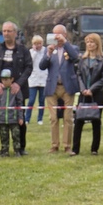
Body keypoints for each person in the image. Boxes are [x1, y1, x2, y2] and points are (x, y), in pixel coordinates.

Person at [0, 21, 32, 154]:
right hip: (1, 91)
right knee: (2, 120)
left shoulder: (23, 50)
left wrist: (18, 83)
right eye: (4, 31)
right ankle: (4, 148)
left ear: (15, 33)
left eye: (9, 31)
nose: (6, 34)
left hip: (17, 90)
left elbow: (29, 67)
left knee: (19, 119)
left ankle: (20, 147)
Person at [39, 24, 80, 153]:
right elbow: (42, 66)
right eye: (54, 34)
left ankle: (67, 145)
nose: (56, 37)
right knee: (53, 118)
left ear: (65, 35)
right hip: (53, 86)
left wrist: (65, 43)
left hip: (67, 86)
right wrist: (48, 54)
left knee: (68, 118)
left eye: (59, 34)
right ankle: (54, 145)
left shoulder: (72, 48)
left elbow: (75, 57)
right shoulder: (49, 49)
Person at [71, 33, 103, 156]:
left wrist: (92, 89)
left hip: (97, 94)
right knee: (78, 120)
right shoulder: (82, 59)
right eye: (87, 42)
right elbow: (78, 75)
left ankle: (94, 149)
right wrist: (83, 89)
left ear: (97, 44)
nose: (90, 44)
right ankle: (75, 149)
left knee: (96, 120)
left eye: (92, 42)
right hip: (83, 93)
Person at [0, 69, 24, 156]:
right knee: (3, 136)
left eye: (7, 79)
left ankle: (17, 150)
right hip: (2, 118)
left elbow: (19, 104)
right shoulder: (0, 91)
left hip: (13, 118)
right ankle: (4, 150)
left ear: (12, 79)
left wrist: (20, 117)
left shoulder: (16, 91)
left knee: (16, 136)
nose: (4, 81)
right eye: (3, 79)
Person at [26, 34, 48, 125]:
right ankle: (27, 118)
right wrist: (34, 52)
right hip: (33, 79)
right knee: (31, 100)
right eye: (36, 43)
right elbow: (30, 62)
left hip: (43, 79)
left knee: (42, 100)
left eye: (39, 43)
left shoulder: (46, 51)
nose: (38, 45)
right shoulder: (30, 52)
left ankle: (40, 119)